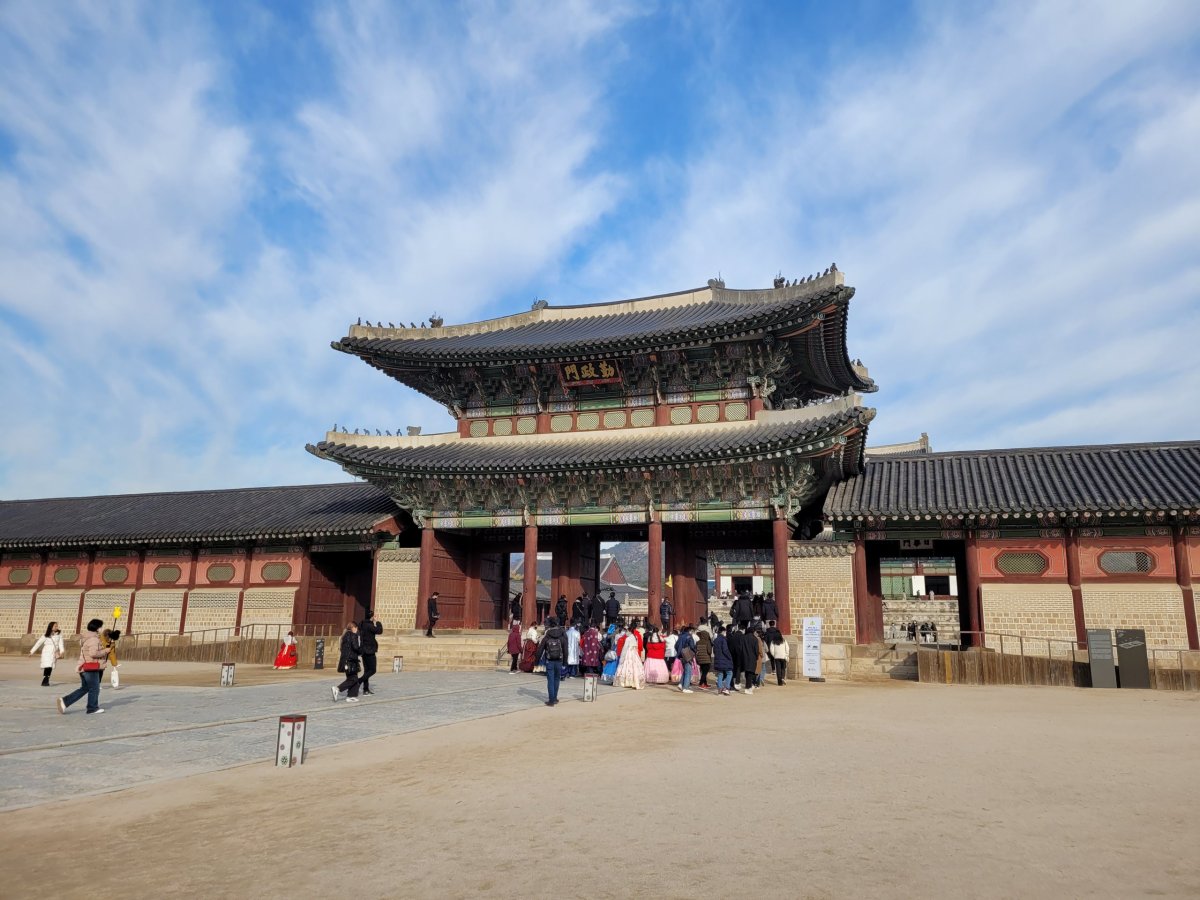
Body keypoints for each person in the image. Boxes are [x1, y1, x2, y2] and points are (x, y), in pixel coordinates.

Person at [57, 618, 109, 715]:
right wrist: (105, 651)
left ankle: (65, 701)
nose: (102, 628)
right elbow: (93, 653)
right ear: (97, 628)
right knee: (94, 688)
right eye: (101, 626)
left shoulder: (86, 638)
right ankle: (92, 708)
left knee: (85, 688)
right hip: (91, 667)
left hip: (83, 667)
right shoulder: (94, 639)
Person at [538, 617, 567, 706]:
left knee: (550, 680)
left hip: (549, 660)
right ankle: (554, 698)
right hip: (559, 660)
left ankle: (551, 700)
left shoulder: (547, 636)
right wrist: (565, 662)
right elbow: (566, 650)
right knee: (557, 679)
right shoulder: (562, 635)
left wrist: (536, 661)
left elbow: (540, 649)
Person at [332, 622, 362, 702]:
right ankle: (338, 688)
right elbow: (356, 647)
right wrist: (362, 649)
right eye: (356, 628)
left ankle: (351, 696)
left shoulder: (344, 636)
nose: (357, 630)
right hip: (351, 660)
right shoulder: (353, 635)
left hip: (346, 660)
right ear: (354, 628)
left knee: (353, 677)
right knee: (353, 678)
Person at [30, 621, 64, 686]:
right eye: (55, 626)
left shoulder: (59, 635)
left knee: (50, 666)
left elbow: (61, 644)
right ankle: (46, 679)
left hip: (54, 652)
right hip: (46, 652)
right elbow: (38, 643)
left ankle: (46, 679)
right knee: (47, 665)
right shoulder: (46, 635)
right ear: (51, 627)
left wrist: (62, 651)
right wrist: (32, 651)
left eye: (57, 626)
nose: (56, 627)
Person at [613, 622, 645, 690]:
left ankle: (626, 682)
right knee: (635, 667)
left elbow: (624, 649)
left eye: (627, 631)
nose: (626, 632)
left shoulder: (628, 638)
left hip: (628, 652)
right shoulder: (634, 637)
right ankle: (633, 682)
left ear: (629, 631)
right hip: (634, 653)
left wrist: (622, 658)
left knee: (626, 667)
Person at [358, 609, 383, 694]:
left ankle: (365, 689)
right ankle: (358, 681)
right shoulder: (368, 625)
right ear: (372, 616)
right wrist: (377, 622)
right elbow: (379, 631)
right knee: (372, 670)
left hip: (364, 650)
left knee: (367, 670)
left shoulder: (362, 624)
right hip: (369, 650)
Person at [712, 624, 734, 695]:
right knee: (729, 673)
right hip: (725, 659)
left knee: (720, 673)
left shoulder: (715, 640)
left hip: (718, 659)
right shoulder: (723, 640)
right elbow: (725, 650)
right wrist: (730, 657)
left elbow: (714, 651)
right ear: (723, 631)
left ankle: (719, 688)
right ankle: (727, 688)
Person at [765, 621, 789, 685]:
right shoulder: (784, 641)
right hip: (783, 656)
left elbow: (771, 649)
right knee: (783, 668)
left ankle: (779, 682)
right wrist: (786, 655)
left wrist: (774, 655)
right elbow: (787, 648)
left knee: (778, 669)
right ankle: (783, 678)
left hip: (777, 657)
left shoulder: (773, 641)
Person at [675, 625, 697, 693]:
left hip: (681, 655)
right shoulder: (689, 636)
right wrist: (695, 651)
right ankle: (686, 687)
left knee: (685, 670)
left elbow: (676, 646)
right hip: (687, 655)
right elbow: (692, 646)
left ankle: (681, 684)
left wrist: (680, 652)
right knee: (688, 671)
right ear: (690, 631)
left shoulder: (680, 636)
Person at [695, 624, 714, 689]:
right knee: (705, 672)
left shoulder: (698, 642)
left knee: (703, 671)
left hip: (700, 659)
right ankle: (701, 684)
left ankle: (705, 683)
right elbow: (709, 651)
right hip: (706, 659)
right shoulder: (707, 642)